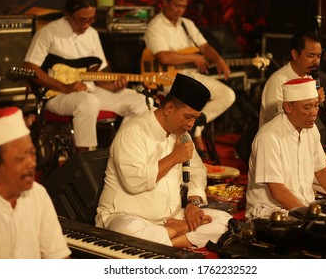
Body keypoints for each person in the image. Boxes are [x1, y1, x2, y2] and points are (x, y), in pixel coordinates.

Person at [96, 74, 232, 248]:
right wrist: (175, 157)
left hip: (170, 218)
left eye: (195, 119)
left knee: (225, 221)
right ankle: (180, 235)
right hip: (127, 216)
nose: (191, 124)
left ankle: (168, 239)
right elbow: (134, 182)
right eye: (188, 117)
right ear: (169, 109)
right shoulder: (133, 132)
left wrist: (193, 203)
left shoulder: (182, 135)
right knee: (128, 232)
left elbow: (198, 171)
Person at [24, 0, 150, 152]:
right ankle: (85, 160)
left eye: (91, 19)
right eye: (82, 20)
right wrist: (64, 86)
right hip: (55, 95)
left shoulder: (92, 34)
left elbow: (97, 73)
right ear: (67, 15)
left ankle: (118, 151)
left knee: (142, 100)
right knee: (88, 102)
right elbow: (30, 67)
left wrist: (113, 86)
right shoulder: (48, 33)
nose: (86, 25)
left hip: (89, 91)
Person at [258, 31, 326, 192]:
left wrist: (318, 153)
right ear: (295, 54)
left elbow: (307, 127)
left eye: (318, 56)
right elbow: (281, 121)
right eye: (310, 55)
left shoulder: (310, 80)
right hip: (281, 152)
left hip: (304, 150)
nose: (316, 61)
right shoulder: (278, 80)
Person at [144, 0, 236, 155]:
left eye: (183, 6)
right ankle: (194, 131)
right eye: (176, 5)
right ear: (165, 3)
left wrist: (219, 60)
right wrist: (193, 58)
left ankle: (196, 128)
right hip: (169, 79)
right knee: (196, 97)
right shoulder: (155, 26)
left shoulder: (187, 24)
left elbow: (204, 46)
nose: (180, 10)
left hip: (192, 75)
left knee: (227, 95)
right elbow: (163, 57)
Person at [246, 78, 326, 220]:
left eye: (316, 105)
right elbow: (278, 191)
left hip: (303, 206)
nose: (314, 112)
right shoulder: (269, 136)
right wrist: (309, 216)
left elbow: (321, 171)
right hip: (270, 211)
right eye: (307, 107)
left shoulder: (311, 129)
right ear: (288, 107)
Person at [0, 107, 71, 258]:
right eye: (20, 158)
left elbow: (58, 257)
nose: (31, 163)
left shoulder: (38, 194)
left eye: (32, 154)